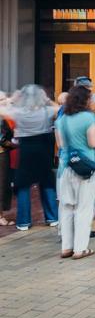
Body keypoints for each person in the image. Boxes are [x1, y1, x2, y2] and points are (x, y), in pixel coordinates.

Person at [0, 85, 59, 231]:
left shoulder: (18, 113)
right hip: (43, 149)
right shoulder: (46, 111)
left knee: (23, 185)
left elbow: (2, 111)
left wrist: (11, 99)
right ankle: (52, 217)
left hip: (25, 150)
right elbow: (60, 108)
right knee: (47, 183)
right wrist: (47, 100)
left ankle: (24, 222)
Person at [55, 85, 95, 259]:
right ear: (85, 100)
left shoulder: (61, 119)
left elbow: (60, 145)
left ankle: (66, 247)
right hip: (85, 168)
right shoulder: (90, 118)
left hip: (65, 167)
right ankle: (80, 248)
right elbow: (93, 143)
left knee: (66, 207)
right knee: (84, 208)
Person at [0, 92, 15, 226]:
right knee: (2, 183)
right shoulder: (2, 117)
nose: (6, 101)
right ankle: (0, 216)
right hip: (1, 154)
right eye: (3, 99)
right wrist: (15, 145)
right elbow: (2, 140)